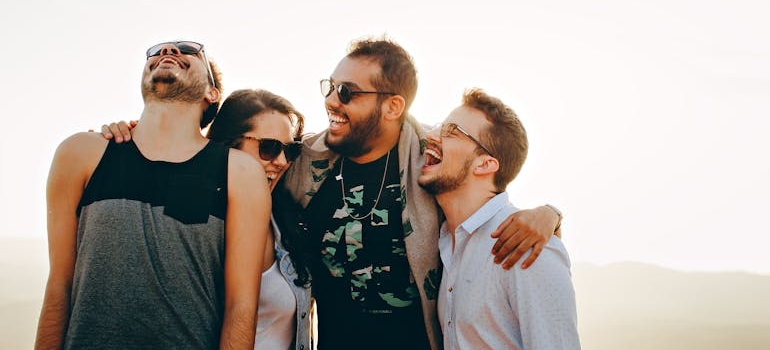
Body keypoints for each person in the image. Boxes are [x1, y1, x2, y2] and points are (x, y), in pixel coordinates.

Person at [281, 37, 564, 350]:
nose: (332, 101)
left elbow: (483, 194)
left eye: (346, 92)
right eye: (330, 87)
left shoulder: (430, 161)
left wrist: (549, 214)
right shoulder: (302, 163)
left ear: (393, 106)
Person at [35, 41, 270, 350]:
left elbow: (240, 306)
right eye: (157, 52)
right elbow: (59, 285)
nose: (169, 50)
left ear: (211, 94)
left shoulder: (239, 173)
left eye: (189, 51)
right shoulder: (80, 153)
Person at [418, 88, 580, 349]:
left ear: (484, 164)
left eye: (450, 131)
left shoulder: (528, 247)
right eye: (438, 127)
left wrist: (552, 213)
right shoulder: (446, 242)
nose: (431, 136)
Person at [205, 88, 313, 350]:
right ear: (229, 145)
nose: (282, 161)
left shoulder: (284, 220)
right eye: (269, 147)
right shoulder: (199, 222)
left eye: (291, 150)